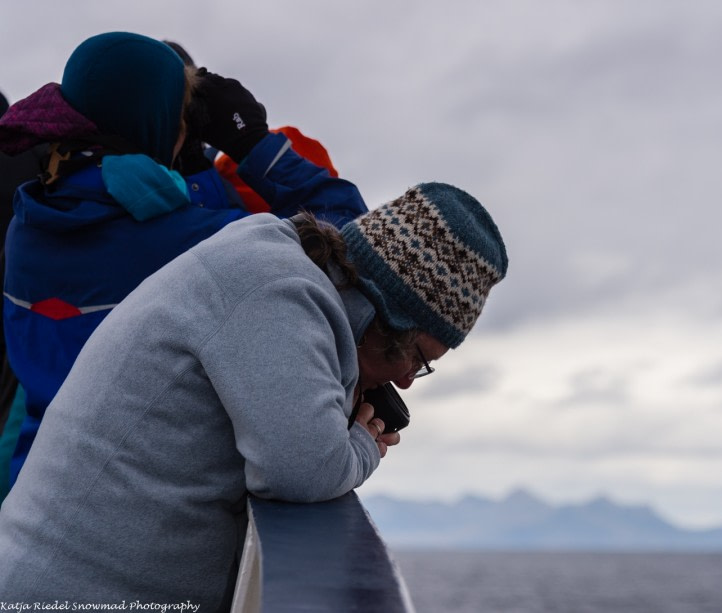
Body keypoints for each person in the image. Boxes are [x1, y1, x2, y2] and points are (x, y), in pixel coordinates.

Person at [0, 182, 508, 608]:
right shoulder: (277, 292)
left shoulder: (274, 261)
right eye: (418, 359)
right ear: (385, 314)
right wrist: (362, 442)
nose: (405, 383)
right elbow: (304, 470)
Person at [0, 32, 367, 488]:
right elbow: (349, 246)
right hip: (128, 518)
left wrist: (178, 154)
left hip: (29, 490)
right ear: (168, 130)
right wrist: (254, 146)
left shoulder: (28, 224)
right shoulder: (191, 243)